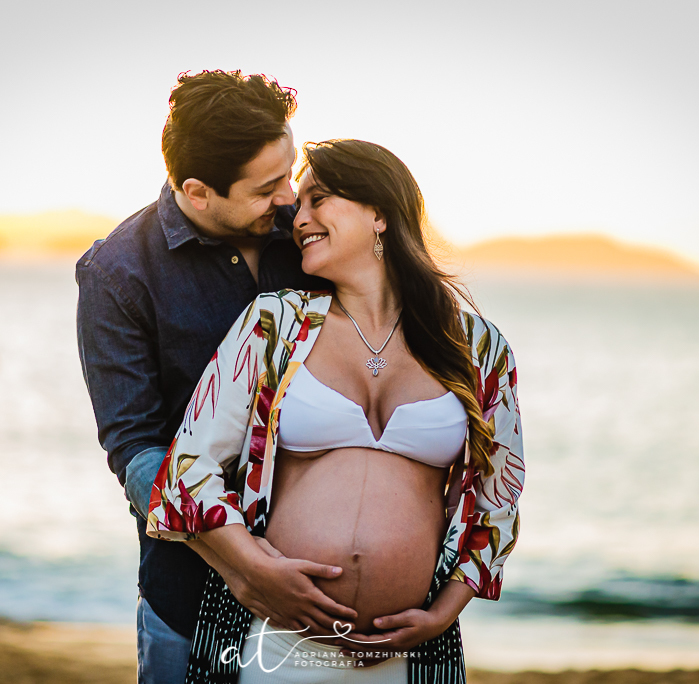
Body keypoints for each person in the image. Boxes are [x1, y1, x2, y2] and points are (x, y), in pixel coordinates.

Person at [146, 139, 525, 683]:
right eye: (298, 205)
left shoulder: (475, 346)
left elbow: (499, 496)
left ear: (380, 215)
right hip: (273, 643)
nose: (298, 218)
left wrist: (444, 613)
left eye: (317, 199)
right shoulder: (273, 325)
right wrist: (254, 571)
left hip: (408, 654)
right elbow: (189, 468)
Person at [76, 70, 342, 684]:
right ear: (197, 191)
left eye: (291, 172)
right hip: (190, 595)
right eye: (268, 186)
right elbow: (136, 450)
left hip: (331, 602)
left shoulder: (312, 238)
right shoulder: (118, 274)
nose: (289, 199)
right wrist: (245, 563)